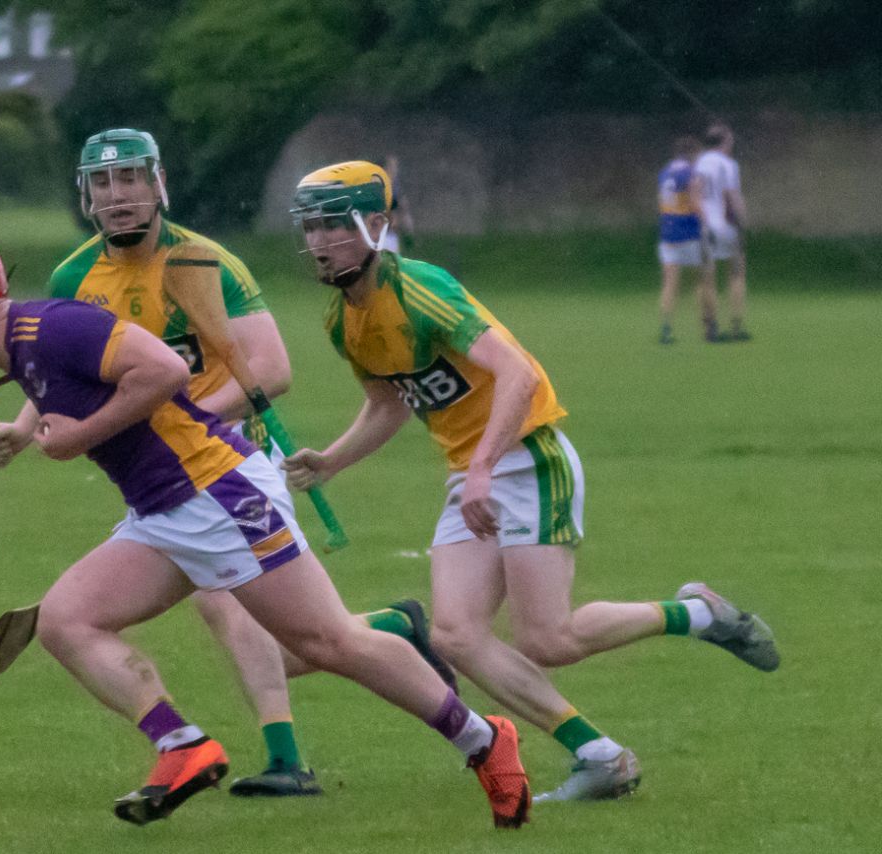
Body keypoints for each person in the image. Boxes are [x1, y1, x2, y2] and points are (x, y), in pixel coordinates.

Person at [0, 234, 532, 828]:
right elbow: (65, 390)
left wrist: (77, 439)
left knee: (330, 642)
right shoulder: (26, 345)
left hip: (218, 492)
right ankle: (183, 748)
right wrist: (24, 431)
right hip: (162, 511)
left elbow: (165, 371)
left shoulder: (53, 326)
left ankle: (484, 740)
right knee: (67, 620)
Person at [282, 161, 780, 803]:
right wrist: (332, 460)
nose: (320, 241)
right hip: (475, 473)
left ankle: (697, 613)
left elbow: (517, 373)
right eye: (312, 226)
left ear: (376, 225)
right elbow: (390, 403)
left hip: (527, 456)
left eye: (335, 226)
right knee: (456, 635)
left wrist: (484, 466)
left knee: (549, 639)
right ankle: (600, 756)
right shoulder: (341, 320)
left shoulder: (421, 290)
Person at [48, 128, 457, 797]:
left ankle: (287, 761)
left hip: (230, 464)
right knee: (294, 635)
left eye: (130, 180)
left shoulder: (207, 262)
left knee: (231, 609)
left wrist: (188, 418)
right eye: (102, 183)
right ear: (86, 196)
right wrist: (28, 423)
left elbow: (270, 368)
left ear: (157, 184)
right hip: (155, 474)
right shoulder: (73, 278)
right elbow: (70, 378)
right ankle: (387, 630)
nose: (117, 196)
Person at [656, 135, 718, 343]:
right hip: (689, 233)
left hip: (668, 233)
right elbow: (695, 203)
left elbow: (662, 202)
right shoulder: (691, 174)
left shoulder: (665, 173)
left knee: (670, 282)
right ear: (693, 153)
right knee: (703, 279)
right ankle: (709, 326)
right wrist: (707, 225)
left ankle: (666, 327)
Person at [694, 123, 750, 341]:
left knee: (706, 278)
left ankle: (710, 328)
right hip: (726, 226)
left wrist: (702, 219)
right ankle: (736, 326)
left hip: (706, 226)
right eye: (730, 140)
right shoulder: (728, 164)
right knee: (736, 273)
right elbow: (732, 196)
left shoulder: (699, 164)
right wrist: (743, 219)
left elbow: (695, 194)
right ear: (724, 142)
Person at [380, 154, 416, 255]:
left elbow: (403, 210)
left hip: (390, 235)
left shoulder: (395, 189)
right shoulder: (378, 187)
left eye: (395, 167)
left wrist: (408, 232)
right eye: (391, 166)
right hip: (379, 235)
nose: (394, 170)